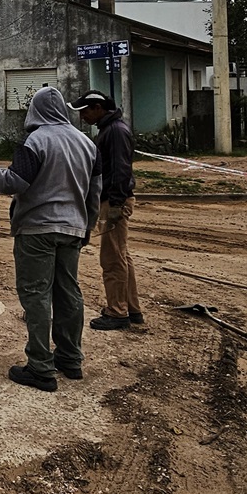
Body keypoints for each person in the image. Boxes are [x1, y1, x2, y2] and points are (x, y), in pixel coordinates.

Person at [0, 87, 100, 391]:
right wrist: (87, 227)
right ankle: (70, 358)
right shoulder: (87, 144)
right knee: (68, 293)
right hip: (73, 228)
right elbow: (95, 191)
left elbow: (14, 182)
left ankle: (40, 367)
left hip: (37, 230)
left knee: (36, 295)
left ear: (36, 110)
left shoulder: (36, 141)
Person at [70, 90, 143, 331]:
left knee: (112, 259)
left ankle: (117, 312)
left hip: (114, 201)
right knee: (121, 255)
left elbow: (121, 170)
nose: (82, 116)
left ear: (98, 107)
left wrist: (116, 205)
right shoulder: (110, 129)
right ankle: (131, 308)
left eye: (85, 111)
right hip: (114, 199)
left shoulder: (115, 132)